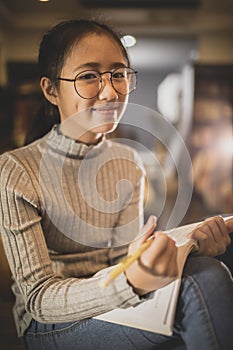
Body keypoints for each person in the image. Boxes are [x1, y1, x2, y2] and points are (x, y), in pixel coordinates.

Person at [0, 18, 232, 350]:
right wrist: (128, 283)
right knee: (202, 284)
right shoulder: (17, 170)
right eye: (89, 76)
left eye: (118, 74)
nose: (110, 92)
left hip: (117, 296)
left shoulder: (128, 162)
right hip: (50, 323)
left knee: (212, 262)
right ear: (51, 90)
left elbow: (120, 257)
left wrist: (182, 248)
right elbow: (38, 298)